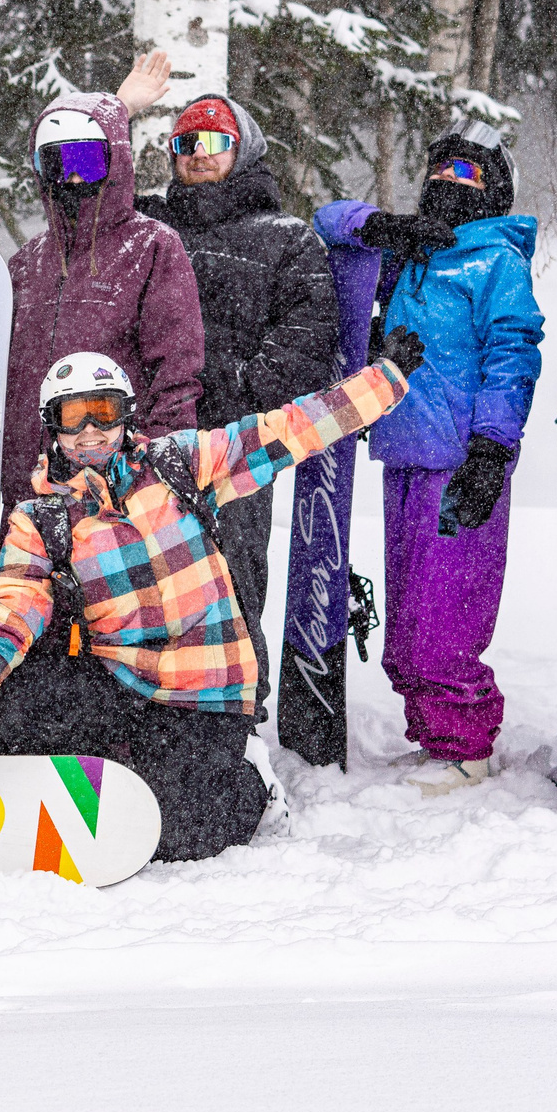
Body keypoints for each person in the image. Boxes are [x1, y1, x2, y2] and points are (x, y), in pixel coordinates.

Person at [0, 337, 423, 861]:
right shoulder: (40, 519)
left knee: (172, 837)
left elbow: (290, 429)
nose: (90, 431)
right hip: (122, 677)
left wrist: (384, 379)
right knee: (12, 708)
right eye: (73, 417)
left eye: (103, 412)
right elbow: (8, 616)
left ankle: (246, 785)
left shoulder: (179, 464)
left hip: (203, 687)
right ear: (53, 427)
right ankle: (121, 765)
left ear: (127, 415)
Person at [315, 120, 543, 793]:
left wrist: (493, 449)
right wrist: (383, 226)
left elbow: (513, 355)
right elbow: (328, 223)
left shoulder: (496, 261)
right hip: (404, 455)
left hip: (460, 460)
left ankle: (466, 742)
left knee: (447, 612)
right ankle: (433, 731)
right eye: (438, 174)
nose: (447, 187)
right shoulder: (411, 254)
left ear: (492, 188)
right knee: (410, 614)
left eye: (466, 176)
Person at [134, 94, 338, 718]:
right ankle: (144, 713)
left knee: (231, 574)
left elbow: (305, 344)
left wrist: (225, 388)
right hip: (146, 436)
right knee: (141, 577)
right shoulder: (147, 228)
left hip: (236, 443)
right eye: (184, 143)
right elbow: (81, 193)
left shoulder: (287, 240)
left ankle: (238, 719)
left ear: (244, 149)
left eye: (211, 142)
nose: (195, 155)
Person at [0, 60, 206, 519]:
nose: (72, 179)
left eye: (86, 162)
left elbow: (175, 373)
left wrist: (153, 470)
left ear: (114, 161)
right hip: (30, 488)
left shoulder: (151, 245)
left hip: (113, 480)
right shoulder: (26, 263)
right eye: (58, 163)